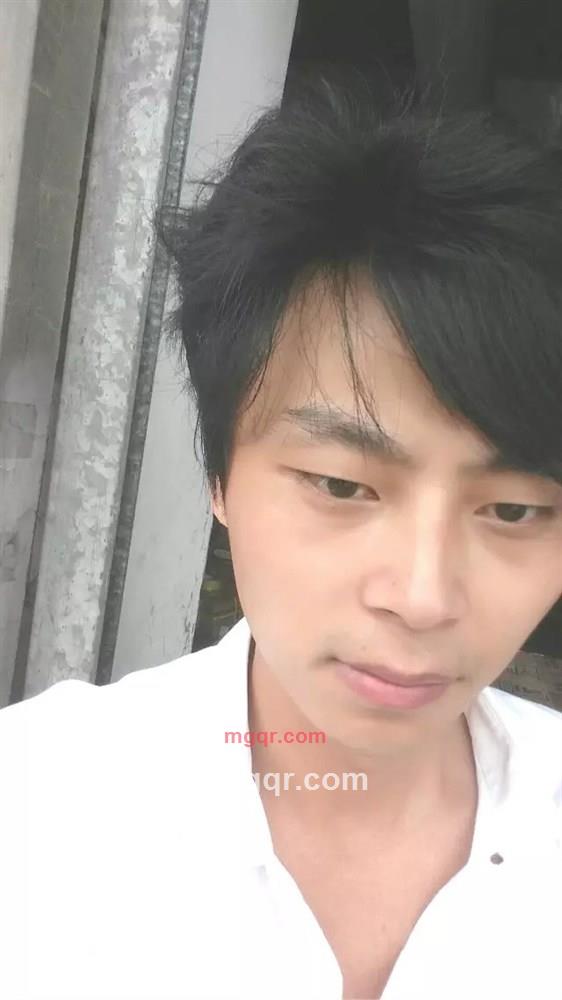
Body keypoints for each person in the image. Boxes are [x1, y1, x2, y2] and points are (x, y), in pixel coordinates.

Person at [1, 69, 561, 1000]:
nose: (422, 597)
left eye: (512, 510)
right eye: (341, 485)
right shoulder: (36, 812)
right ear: (220, 478)